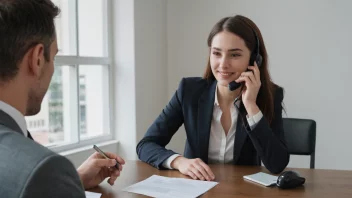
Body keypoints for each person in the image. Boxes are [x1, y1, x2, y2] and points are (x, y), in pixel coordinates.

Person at [137, 15, 289, 181]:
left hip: (243, 191)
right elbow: (146, 145)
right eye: (216, 53)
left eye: (235, 55)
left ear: (254, 60)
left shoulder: (271, 96)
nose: (223, 64)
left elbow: (277, 165)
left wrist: (251, 106)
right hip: (197, 188)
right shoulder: (189, 91)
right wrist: (179, 162)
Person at [0, 0, 125, 197]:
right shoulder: (44, 170)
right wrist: (58, 182)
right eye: (55, 57)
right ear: (38, 59)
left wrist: (74, 181)